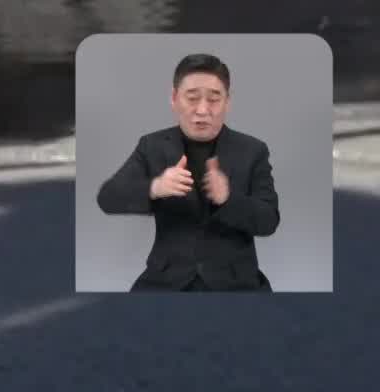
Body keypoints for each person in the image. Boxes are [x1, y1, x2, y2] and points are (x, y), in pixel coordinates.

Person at [95, 52, 281, 291]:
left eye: (214, 99)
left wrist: (228, 200)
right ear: (174, 98)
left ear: (227, 101)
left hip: (237, 284)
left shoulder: (253, 150)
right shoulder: (152, 146)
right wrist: (155, 187)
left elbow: (269, 222)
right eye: (192, 98)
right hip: (165, 281)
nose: (202, 110)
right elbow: (108, 198)